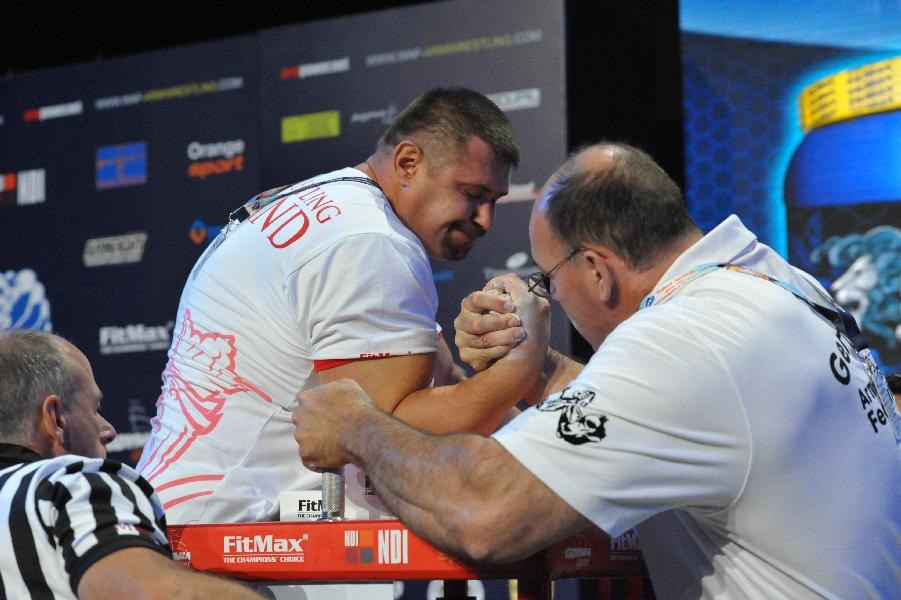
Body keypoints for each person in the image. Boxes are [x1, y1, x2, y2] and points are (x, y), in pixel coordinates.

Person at [293, 143, 900, 599]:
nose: (551, 297)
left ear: (597, 270)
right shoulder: (768, 284)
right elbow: (679, 412)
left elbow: (486, 513)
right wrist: (538, 370)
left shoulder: (688, 338)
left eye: (548, 279)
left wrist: (357, 426)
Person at [137, 87, 545, 524]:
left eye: (494, 201)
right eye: (472, 193)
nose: (486, 220)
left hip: (186, 515)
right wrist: (521, 366)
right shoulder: (370, 240)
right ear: (409, 162)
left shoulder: (333, 206)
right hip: (228, 540)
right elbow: (390, 435)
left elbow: (442, 380)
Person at [0, 330, 261, 599]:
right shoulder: (74, 484)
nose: (109, 430)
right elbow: (158, 594)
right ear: (55, 418)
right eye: (94, 408)